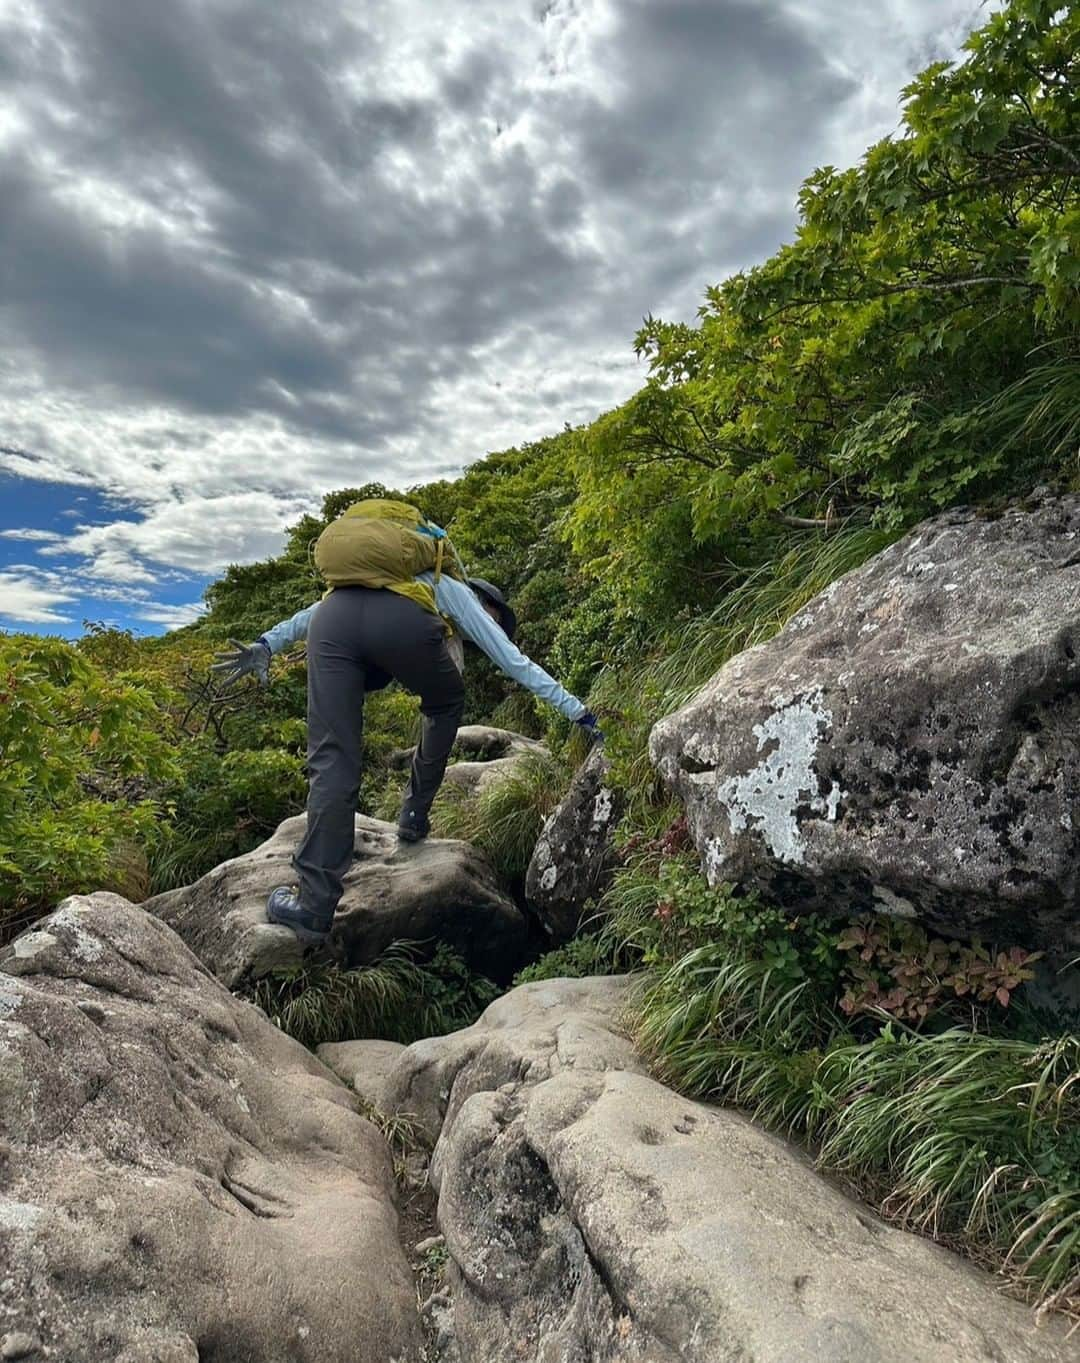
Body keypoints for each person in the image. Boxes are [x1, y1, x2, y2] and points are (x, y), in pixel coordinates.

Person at [213, 571, 599, 945]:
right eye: (495, 616)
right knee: (447, 706)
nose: (492, 625)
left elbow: (317, 612)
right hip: (399, 630)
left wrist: (266, 644)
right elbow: (516, 664)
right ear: (483, 601)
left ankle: (313, 906)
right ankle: (413, 816)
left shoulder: (377, 577)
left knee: (331, 760)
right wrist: (581, 713)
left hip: (333, 626)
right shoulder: (451, 591)